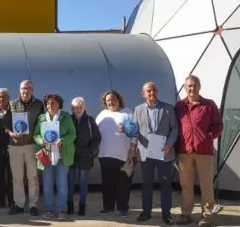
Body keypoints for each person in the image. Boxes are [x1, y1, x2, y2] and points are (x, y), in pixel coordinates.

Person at [175, 75, 223, 227]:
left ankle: (207, 217)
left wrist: (208, 137)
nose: (192, 88)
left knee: (206, 184)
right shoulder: (179, 106)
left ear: (199, 87)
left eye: (195, 85)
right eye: (189, 86)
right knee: (186, 185)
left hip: (204, 151)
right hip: (184, 151)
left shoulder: (209, 105)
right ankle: (186, 214)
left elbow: (218, 125)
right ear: (185, 87)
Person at [132, 82, 178, 224]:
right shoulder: (138, 110)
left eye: (154, 90)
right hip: (146, 153)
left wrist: (169, 144)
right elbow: (135, 131)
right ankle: (146, 212)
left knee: (165, 183)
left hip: (164, 152)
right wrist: (132, 145)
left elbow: (175, 128)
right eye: (149, 91)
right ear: (143, 94)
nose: (152, 93)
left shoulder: (168, 109)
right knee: (147, 184)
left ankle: (166, 214)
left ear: (157, 92)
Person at [3, 79, 44, 216]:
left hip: (32, 145)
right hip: (15, 145)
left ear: (32, 90)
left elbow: (43, 123)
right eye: (22, 89)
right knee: (17, 177)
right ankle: (19, 204)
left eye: (28, 88)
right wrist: (10, 132)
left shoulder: (39, 105)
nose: (25, 91)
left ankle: (33, 205)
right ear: (19, 90)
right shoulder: (12, 104)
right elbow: (6, 123)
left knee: (33, 177)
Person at [34, 94, 76, 220]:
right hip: (46, 156)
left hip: (62, 156)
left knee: (62, 184)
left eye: (53, 103)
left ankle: (62, 210)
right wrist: (40, 140)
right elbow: (36, 134)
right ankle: (48, 210)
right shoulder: (42, 118)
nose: (50, 106)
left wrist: (62, 140)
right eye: (47, 103)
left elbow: (73, 134)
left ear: (59, 104)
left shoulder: (66, 117)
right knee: (47, 184)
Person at [95, 89, 136, 217]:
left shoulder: (128, 113)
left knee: (123, 184)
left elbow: (135, 133)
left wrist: (133, 149)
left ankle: (123, 208)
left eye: (113, 99)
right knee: (107, 183)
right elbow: (95, 134)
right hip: (104, 154)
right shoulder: (102, 114)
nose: (111, 102)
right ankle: (108, 207)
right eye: (108, 100)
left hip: (123, 155)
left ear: (119, 100)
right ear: (105, 102)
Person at [68, 97, 100, 216]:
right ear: (72, 108)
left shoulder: (90, 120)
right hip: (71, 156)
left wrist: (88, 150)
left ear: (84, 107)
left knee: (83, 182)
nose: (78, 109)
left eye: (80, 106)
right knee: (70, 182)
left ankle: (82, 206)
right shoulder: (68, 120)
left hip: (85, 156)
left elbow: (97, 138)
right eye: (76, 107)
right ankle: (69, 205)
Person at [0, 88, 14, 209]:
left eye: (4, 96)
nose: (1, 99)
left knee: (12, 177)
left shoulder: (14, 111)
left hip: (12, 148)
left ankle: (12, 201)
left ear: (8, 98)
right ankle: (0, 200)